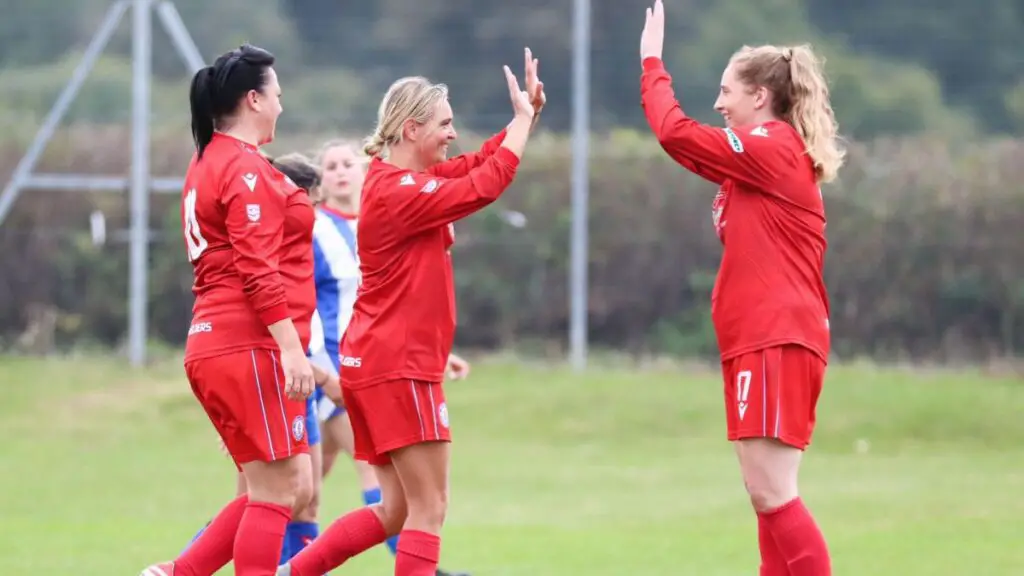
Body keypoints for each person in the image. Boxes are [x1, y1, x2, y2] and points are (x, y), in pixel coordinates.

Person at [277, 49, 546, 576]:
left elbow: (472, 166)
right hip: (397, 366)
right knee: (430, 508)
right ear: (410, 127)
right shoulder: (399, 191)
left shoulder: (396, 179)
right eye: (444, 124)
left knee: (396, 509)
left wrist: (524, 120)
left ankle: (292, 572)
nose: (452, 134)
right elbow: (484, 184)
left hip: (377, 363)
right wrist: (521, 120)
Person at [639, 3, 845, 575]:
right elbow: (693, 149)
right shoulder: (755, 162)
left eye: (726, 90)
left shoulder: (774, 147)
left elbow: (675, 133)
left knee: (773, 493)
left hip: (777, 335)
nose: (719, 101)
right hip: (757, 337)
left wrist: (651, 62)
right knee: (765, 498)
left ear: (760, 96)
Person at [141, 44, 318, 576]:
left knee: (294, 484)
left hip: (219, 342)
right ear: (253, 100)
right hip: (245, 341)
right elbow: (256, 269)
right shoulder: (241, 169)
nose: (282, 107)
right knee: (278, 490)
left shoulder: (210, 162)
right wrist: (291, 350)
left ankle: (181, 573)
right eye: (278, 96)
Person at [309, 138, 474, 576]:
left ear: (364, 172)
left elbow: (391, 301)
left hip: (369, 362)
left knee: (298, 494)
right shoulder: (315, 230)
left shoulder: (375, 222)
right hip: (336, 371)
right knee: (389, 494)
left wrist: (439, 351)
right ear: (321, 182)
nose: (342, 171)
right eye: (331, 166)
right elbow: (295, 304)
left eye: (348, 163)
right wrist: (318, 372)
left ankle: (242, 560)